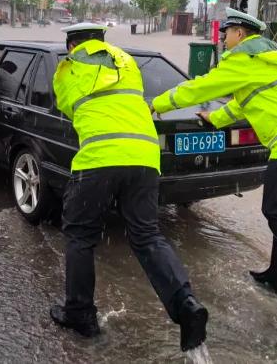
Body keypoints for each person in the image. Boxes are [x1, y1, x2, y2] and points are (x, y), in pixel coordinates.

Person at [151, 7, 277, 312]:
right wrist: (215, 119)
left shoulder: (243, 60)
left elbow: (199, 87)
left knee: (276, 212)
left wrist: (158, 103)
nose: (223, 38)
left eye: (227, 33)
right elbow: (245, 104)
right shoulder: (269, 61)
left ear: (240, 34)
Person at [50, 22, 208, 352]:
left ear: (72, 44)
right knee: (147, 235)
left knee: (80, 235)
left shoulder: (69, 66)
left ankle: (80, 314)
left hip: (100, 156)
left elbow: (66, 106)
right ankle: (186, 304)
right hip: (146, 156)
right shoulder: (127, 62)